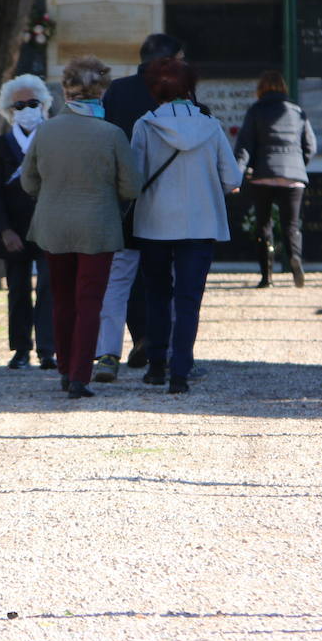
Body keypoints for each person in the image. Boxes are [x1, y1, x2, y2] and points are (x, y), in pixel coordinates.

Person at [21, 56, 141, 399]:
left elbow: (28, 183)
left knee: (61, 299)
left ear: (64, 90)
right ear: (101, 91)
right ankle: (79, 376)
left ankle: (63, 367)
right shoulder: (112, 134)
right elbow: (130, 187)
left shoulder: (45, 132)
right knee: (90, 300)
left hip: (52, 226)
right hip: (98, 226)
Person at [131, 56, 241, 394]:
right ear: (190, 87)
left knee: (157, 295)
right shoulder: (210, 125)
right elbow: (232, 177)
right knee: (189, 299)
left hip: (154, 222)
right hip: (200, 221)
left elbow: (134, 180)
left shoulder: (145, 125)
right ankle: (181, 371)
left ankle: (156, 365)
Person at [91, 33, 184, 383]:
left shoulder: (117, 91)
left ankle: (107, 355)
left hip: (125, 200)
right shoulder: (177, 92)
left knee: (118, 280)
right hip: (167, 200)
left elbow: (106, 141)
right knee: (164, 281)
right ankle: (166, 348)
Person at [0, 74, 56, 371]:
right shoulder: (2, 145)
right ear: (9, 110)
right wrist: (3, 229)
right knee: (18, 289)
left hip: (49, 226)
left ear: (44, 104)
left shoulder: (52, 138)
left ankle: (48, 349)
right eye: (20, 104)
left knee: (50, 288)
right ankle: (21, 348)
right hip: (14, 229)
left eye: (32, 103)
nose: (27, 109)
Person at [233, 70, 316, 288]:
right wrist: (298, 164)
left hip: (264, 175)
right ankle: (295, 258)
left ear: (261, 89)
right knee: (291, 225)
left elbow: (244, 146)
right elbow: (311, 146)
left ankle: (266, 276)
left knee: (263, 225)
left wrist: (237, 173)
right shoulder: (297, 111)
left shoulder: (256, 111)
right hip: (293, 176)